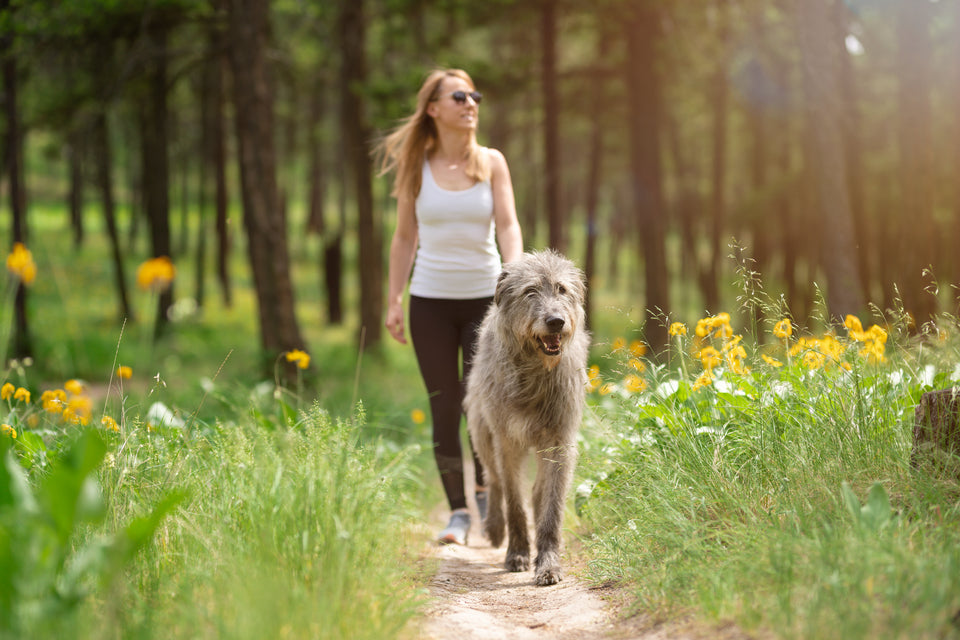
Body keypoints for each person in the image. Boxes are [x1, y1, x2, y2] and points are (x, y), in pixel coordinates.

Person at [377, 69, 523, 546]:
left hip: (487, 302)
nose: (470, 102)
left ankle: (487, 494)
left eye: (475, 95)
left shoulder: (492, 162)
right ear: (434, 109)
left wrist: (514, 275)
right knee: (445, 408)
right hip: (431, 303)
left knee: (484, 403)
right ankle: (458, 514)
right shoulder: (415, 163)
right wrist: (393, 300)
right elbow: (404, 238)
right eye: (458, 96)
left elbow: (507, 226)